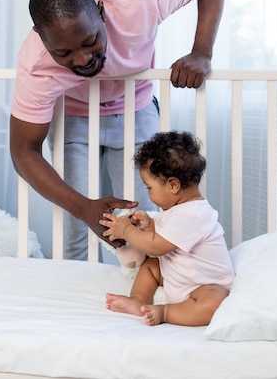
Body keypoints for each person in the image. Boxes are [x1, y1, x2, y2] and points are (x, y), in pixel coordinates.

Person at [10, 0, 227, 260]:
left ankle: (146, 294)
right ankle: (78, 301)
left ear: (101, 12)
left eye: (90, 41)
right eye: (64, 52)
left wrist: (202, 52)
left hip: (135, 108)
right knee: (77, 229)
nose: (82, 59)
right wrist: (85, 207)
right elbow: (23, 152)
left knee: (148, 219)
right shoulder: (36, 64)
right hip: (75, 117)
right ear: (40, 37)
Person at [101, 131, 235, 327]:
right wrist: (150, 225)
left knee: (215, 302)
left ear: (173, 185)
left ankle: (166, 312)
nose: (148, 193)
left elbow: (157, 247)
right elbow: (167, 238)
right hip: (179, 276)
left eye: (149, 188)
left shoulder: (194, 215)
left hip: (204, 285)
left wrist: (127, 231)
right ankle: (138, 299)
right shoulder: (177, 210)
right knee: (150, 267)